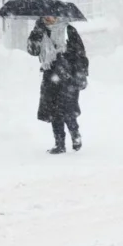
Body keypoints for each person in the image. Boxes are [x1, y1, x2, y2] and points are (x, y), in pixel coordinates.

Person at [27, 16, 89, 154]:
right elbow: (33, 51)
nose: (49, 18)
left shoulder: (68, 30)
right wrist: (37, 32)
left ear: (58, 16)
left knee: (67, 109)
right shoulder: (40, 31)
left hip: (68, 76)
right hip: (50, 76)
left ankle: (75, 135)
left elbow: (80, 53)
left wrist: (80, 72)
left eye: (52, 15)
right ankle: (59, 143)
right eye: (45, 16)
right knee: (53, 111)